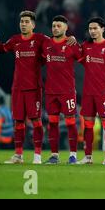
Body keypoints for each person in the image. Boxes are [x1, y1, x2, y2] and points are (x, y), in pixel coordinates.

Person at [0, 11, 49, 165]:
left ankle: (37, 156)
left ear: (33, 25)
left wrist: (69, 38)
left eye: (26, 22)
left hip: (33, 88)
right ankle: (18, 155)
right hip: (17, 88)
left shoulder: (41, 39)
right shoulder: (15, 40)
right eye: (22, 21)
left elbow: (56, 42)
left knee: (36, 120)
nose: (23, 24)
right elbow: (2, 49)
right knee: (18, 122)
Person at [77, 17, 105, 165]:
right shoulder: (85, 46)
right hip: (88, 92)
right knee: (88, 125)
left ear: (103, 29)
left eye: (95, 28)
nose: (92, 31)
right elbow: (79, 59)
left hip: (103, 93)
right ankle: (88, 157)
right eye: (90, 29)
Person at [42, 15, 82, 165]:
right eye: (53, 26)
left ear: (66, 27)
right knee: (52, 123)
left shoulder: (72, 44)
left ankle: (72, 156)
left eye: (59, 25)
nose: (55, 28)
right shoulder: (45, 44)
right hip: (51, 91)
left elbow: (85, 60)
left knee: (71, 123)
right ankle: (54, 155)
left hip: (67, 91)